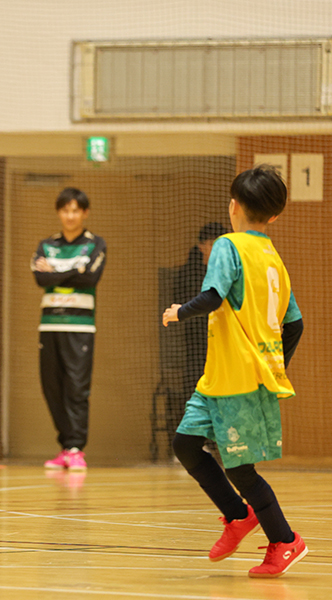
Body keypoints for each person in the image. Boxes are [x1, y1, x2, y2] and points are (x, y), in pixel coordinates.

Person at [163, 165, 307, 578]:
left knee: (240, 468)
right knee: (186, 444)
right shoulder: (273, 258)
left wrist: (179, 312)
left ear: (234, 205)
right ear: (274, 215)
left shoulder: (229, 245)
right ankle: (238, 515)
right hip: (219, 379)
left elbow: (213, 296)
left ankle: (285, 540)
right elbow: (295, 324)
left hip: (239, 380)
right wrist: (275, 366)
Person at [32, 187, 106, 471]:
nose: (70, 216)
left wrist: (55, 272)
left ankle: (76, 448)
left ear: (85, 213)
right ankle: (65, 447)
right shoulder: (46, 245)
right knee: (51, 387)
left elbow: (91, 278)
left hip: (80, 328)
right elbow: (40, 279)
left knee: (76, 387)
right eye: (65, 210)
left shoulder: (95, 244)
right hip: (49, 327)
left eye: (75, 210)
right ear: (59, 213)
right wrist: (74, 271)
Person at [166, 222, 228, 439]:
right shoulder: (191, 271)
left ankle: (218, 439)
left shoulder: (226, 268)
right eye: (214, 244)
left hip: (223, 340)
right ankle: (196, 438)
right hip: (197, 339)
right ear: (203, 245)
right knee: (196, 384)